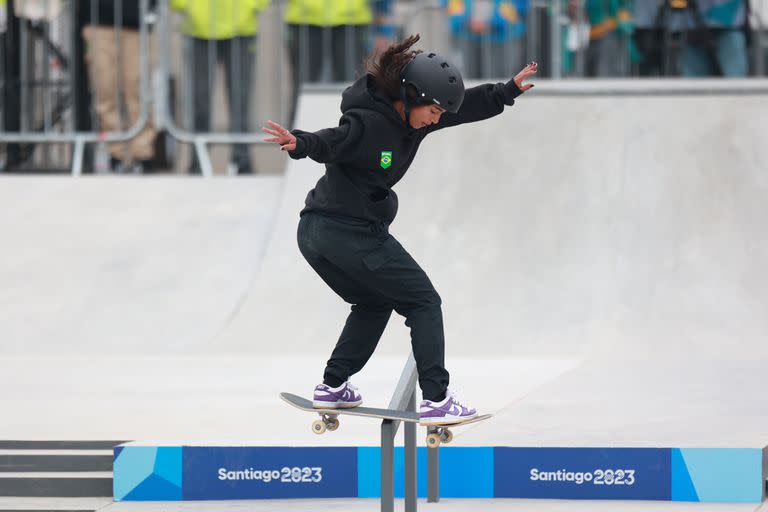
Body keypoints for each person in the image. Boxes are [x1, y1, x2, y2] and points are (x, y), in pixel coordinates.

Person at [262, 35, 537, 424]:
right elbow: (335, 141)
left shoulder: (415, 121)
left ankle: (334, 386)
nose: (436, 119)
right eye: (433, 111)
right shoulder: (367, 122)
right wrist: (299, 143)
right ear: (409, 95)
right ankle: (437, 399)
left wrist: (506, 92)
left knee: (374, 303)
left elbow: (465, 108)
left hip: (316, 233)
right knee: (423, 301)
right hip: (350, 232)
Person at [171, 0, 271, 174]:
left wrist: (251, 5)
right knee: (199, 101)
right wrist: (188, 5)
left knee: (240, 99)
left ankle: (242, 160)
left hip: (241, 25)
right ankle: (198, 160)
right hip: (199, 27)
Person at [284, 0, 395, 127]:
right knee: (301, 92)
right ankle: (293, 143)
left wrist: (383, 28)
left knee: (354, 91)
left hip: (352, 18)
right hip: (304, 18)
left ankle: (355, 140)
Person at [81, 0, 158, 173]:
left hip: (138, 22)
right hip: (97, 20)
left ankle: (143, 153)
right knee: (105, 89)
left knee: (138, 89)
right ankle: (115, 153)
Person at [443, 0, 528, 79]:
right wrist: (468, 22)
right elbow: (452, 9)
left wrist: (490, 23)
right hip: (469, 39)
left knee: (499, 75)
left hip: (501, 40)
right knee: (471, 76)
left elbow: (516, 8)